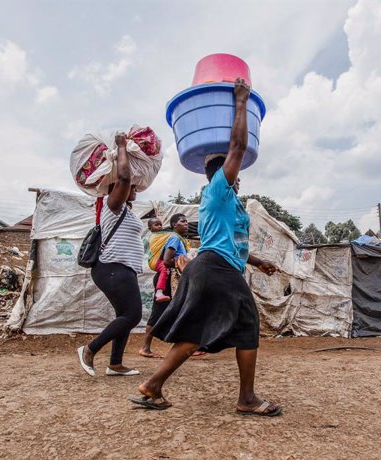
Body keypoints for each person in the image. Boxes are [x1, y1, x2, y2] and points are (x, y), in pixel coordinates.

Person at [129, 79, 283, 416]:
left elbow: (226, 242)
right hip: (216, 270)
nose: (238, 174)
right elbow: (239, 146)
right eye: (232, 168)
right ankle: (245, 399)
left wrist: (257, 263)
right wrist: (240, 102)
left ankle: (152, 386)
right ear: (222, 170)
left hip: (214, 266)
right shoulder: (217, 189)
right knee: (242, 327)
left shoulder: (227, 203)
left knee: (220, 329)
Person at [77, 132, 144, 377]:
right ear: (116, 186)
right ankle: (89, 349)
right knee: (132, 315)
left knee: (124, 315)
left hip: (121, 268)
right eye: (129, 184)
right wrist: (121, 146)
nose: (134, 185)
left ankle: (115, 363)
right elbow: (125, 176)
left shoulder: (125, 210)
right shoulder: (111, 204)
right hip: (112, 267)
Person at [139, 214, 190, 358]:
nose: (186, 224)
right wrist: (184, 264)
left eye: (186, 221)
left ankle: (186, 346)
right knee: (158, 312)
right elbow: (167, 260)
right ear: (174, 225)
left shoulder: (180, 240)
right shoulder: (174, 238)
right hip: (168, 278)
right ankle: (145, 348)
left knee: (182, 310)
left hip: (172, 278)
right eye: (182, 221)